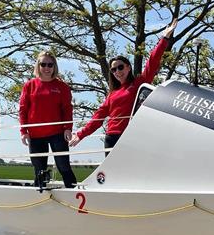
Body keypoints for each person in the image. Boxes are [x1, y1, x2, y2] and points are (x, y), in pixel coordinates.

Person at [70, 18, 178, 153]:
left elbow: (153, 61)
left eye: (120, 67)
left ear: (128, 67)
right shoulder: (112, 95)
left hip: (130, 136)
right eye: (113, 70)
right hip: (111, 137)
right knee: (112, 174)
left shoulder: (139, 83)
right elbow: (97, 119)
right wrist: (81, 134)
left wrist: (164, 38)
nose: (117, 71)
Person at [19, 51, 77, 188]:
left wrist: (68, 128)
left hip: (57, 134)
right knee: (39, 169)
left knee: (63, 166)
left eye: (50, 64)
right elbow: (23, 109)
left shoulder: (62, 86)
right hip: (35, 135)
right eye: (43, 64)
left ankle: (73, 191)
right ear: (38, 66)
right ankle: (38, 198)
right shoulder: (29, 85)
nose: (46, 67)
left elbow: (67, 109)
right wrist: (23, 131)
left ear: (54, 66)